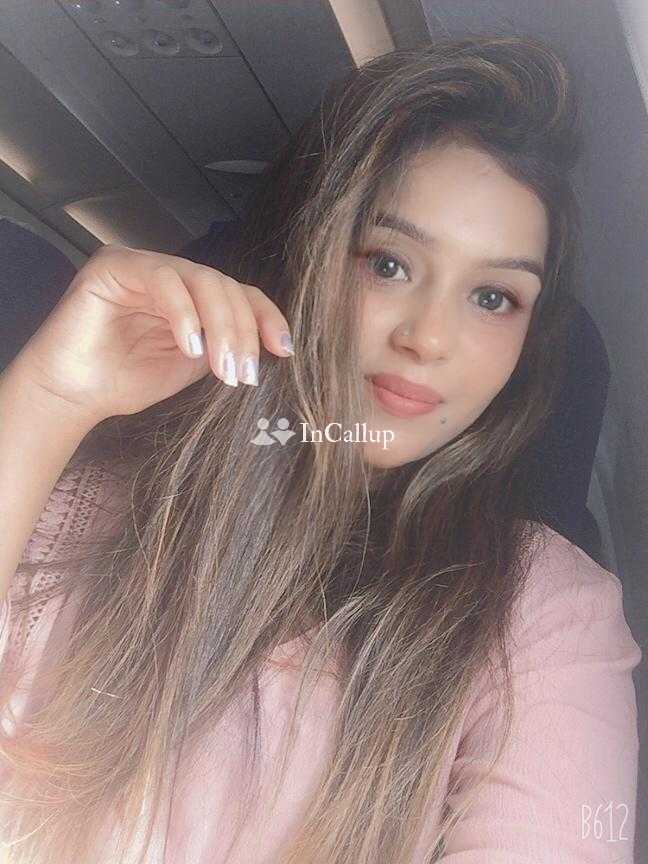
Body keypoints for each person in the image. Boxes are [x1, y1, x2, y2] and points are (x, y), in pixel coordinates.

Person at [0, 35, 641, 864]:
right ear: (303, 259)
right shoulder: (94, 501)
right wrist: (48, 401)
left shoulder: (544, 613)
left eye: (493, 297)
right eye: (388, 263)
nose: (428, 338)